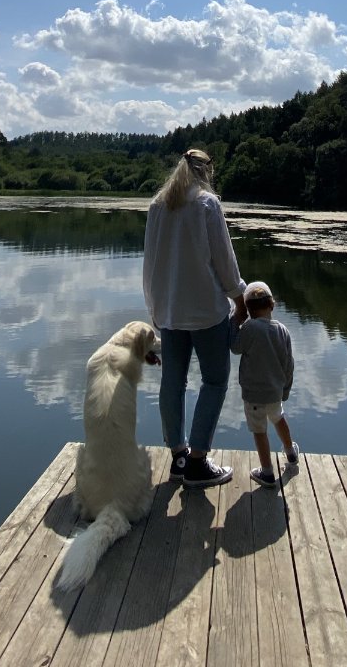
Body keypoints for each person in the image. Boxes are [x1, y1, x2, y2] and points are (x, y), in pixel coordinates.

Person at [143, 149, 247, 488]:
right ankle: (199, 462)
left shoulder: (158, 205)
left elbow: (150, 266)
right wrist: (239, 298)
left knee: (172, 383)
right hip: (206, 312)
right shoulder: (206, 204)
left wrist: (155, 309)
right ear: (206, 172)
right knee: (215, 381)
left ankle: (179, 457)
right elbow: (224, 261)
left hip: (171, 312)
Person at [229, 280, 298, 487]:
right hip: (275, 392)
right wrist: (285, 390)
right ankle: (291, 453)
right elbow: (289, 364)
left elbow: (235, 347)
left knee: (260, 430)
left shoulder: (249, 328)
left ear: (248, 310)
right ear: (272, 305)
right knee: (279, 418)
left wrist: (234, 322)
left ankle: (267, 472)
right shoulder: (283, 330)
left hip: (253, 394)